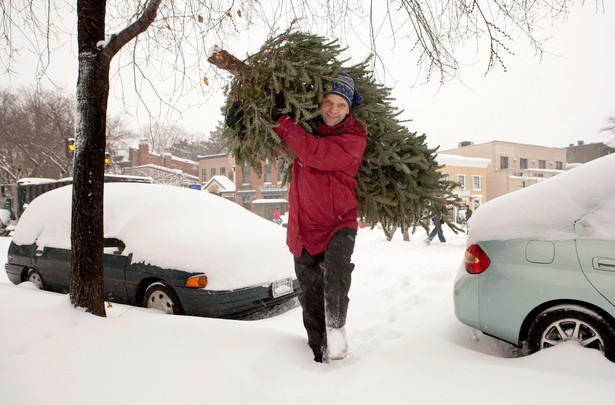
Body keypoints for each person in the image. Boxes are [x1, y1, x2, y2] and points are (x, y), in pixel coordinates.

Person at [271, 72, 367, 363]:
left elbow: (315, 154)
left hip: (340, 221)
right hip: (304, 224)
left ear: (349, 109)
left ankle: (336, 326)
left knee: (337, 271)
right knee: (309, 296)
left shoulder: (354, 138)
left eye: (340, 104)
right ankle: (317, 353)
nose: (333, 110)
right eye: (328, 102)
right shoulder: (305, 131)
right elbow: (276, 146)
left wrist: (282, 121)